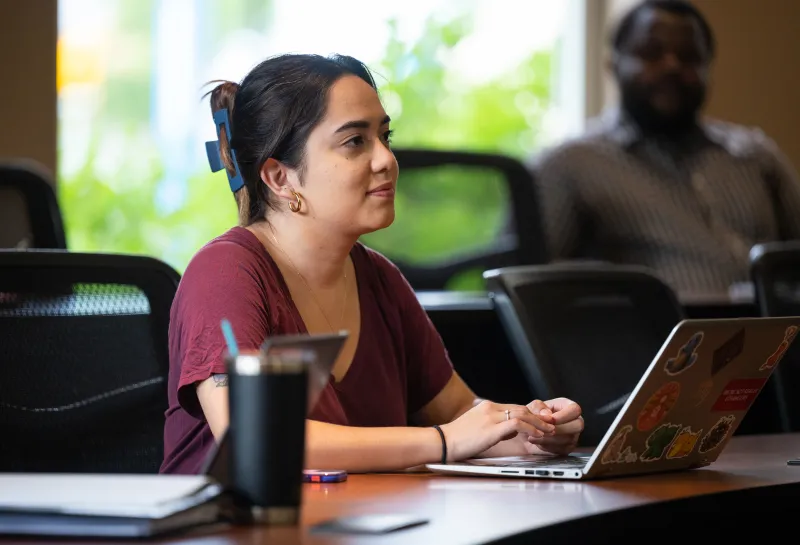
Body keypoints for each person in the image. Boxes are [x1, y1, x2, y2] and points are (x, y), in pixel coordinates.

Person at [160, 53, 584, 475]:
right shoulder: (225, 273)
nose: (386, 160)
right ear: (279, 177)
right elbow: (257, 437)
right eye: (355, 142)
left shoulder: (379, 278)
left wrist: (530, 429)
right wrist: (442, 441)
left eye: (385, 137)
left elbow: (460, 413)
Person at [529, 0, 800, 297]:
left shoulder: (756, 155)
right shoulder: (570, 165)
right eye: (651, 53)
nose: (672, 66)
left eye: (689, 56)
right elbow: (533, 292)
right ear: (612, 64)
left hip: (777, 336)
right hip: (651, 339)